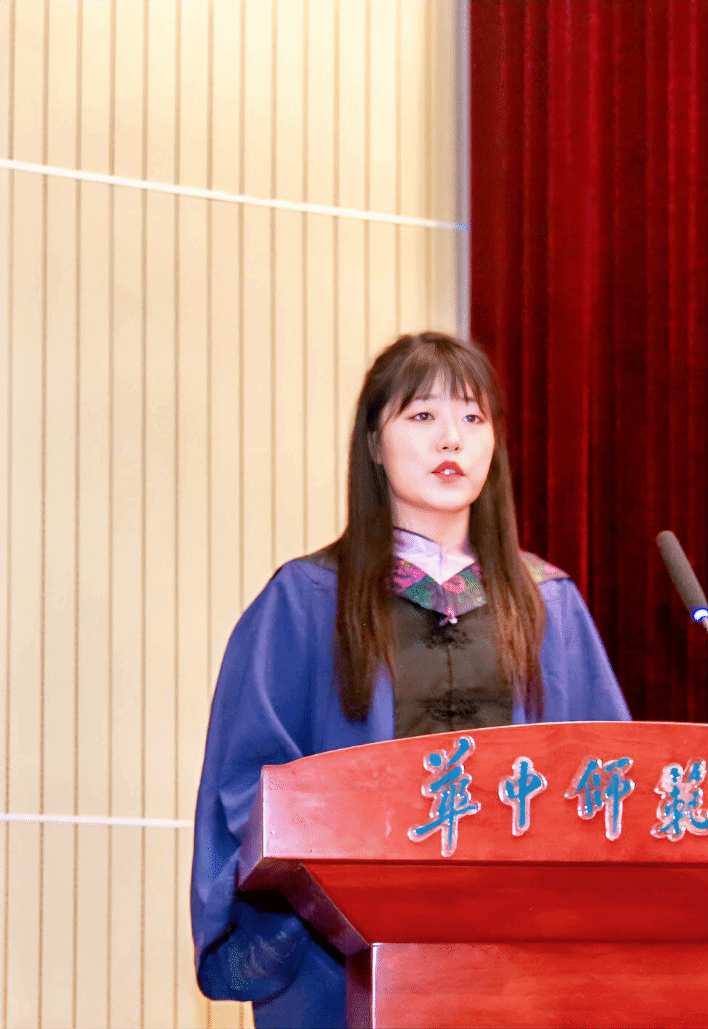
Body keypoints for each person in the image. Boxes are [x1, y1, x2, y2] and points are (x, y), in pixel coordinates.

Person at [191, 332, 630, 1028]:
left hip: (519, 972)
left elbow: (610, 782)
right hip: (345, 966)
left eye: (473, 417)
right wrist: (340, 895)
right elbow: (249, 786)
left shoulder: (549, 606)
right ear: (375, 442)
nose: (451, 439)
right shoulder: (307, 601)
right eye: (422, 415)